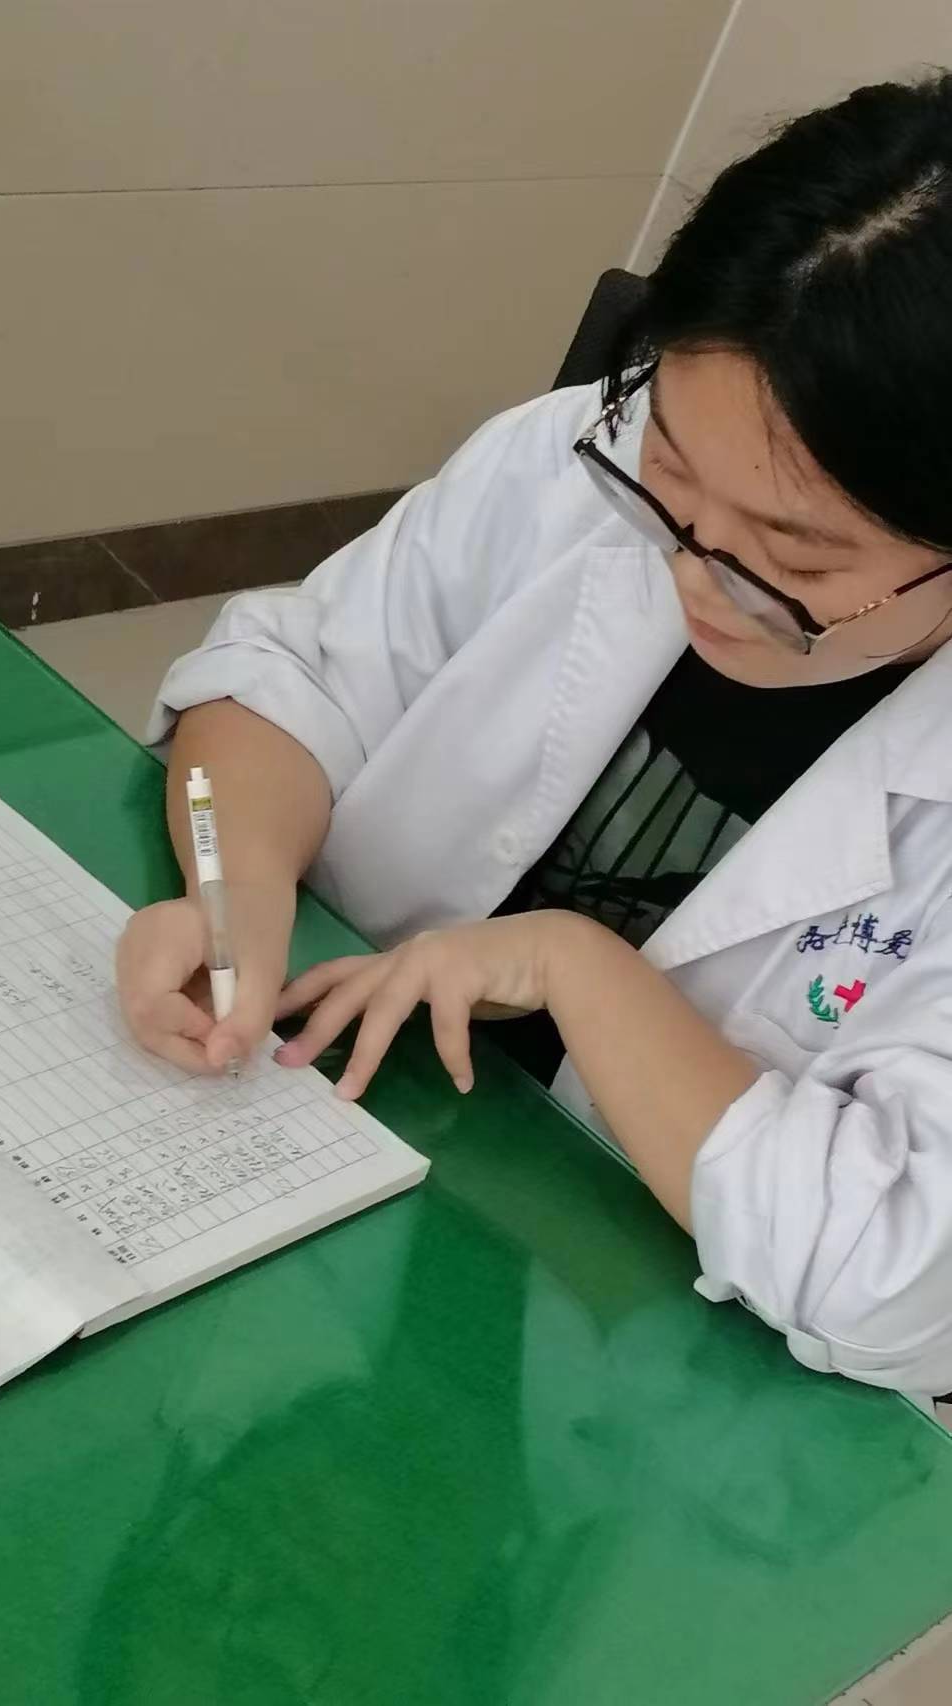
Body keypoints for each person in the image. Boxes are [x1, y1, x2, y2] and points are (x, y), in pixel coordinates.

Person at [117, 73, 952, 1396]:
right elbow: (275, 677)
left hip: (644, 1371)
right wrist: (233, 890)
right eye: (670, 474)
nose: (697, 572)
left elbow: (903, 1284)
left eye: (795, 557)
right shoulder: (568, 459)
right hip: (310, 1163)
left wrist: (576, 965)